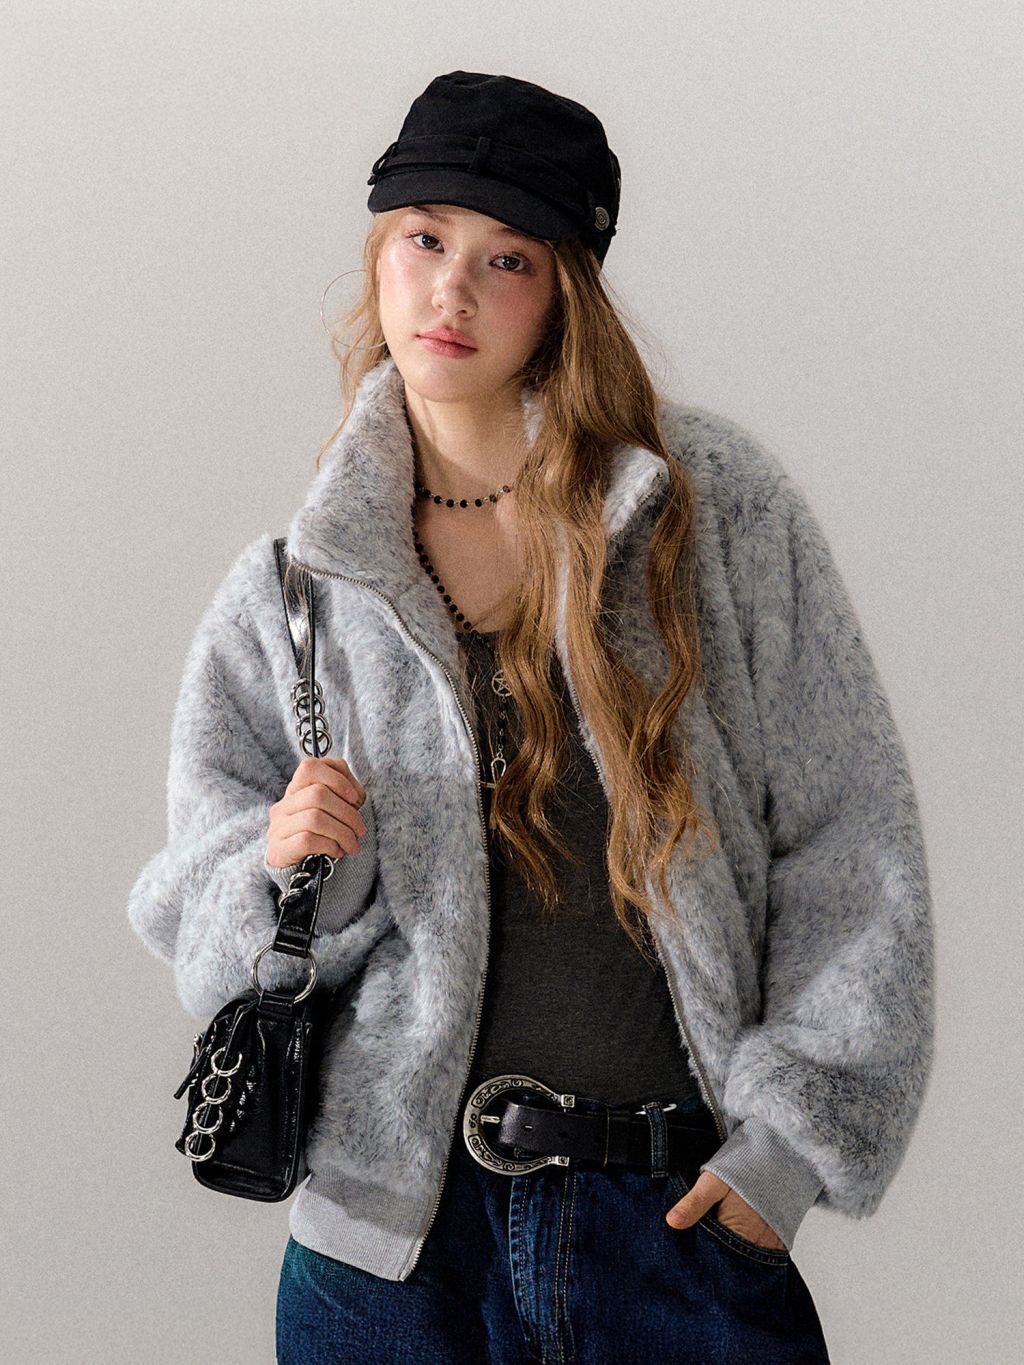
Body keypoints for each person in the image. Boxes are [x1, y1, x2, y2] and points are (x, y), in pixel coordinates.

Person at [127, 71, 935, 1364]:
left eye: (505, 257)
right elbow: (204, 934)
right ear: (379, 254)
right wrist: (287, 867)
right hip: (388, 1265)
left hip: (673, 1233)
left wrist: (785, 1156)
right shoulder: (295, 594)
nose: (450, 291)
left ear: (564, 291)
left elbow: (854, 842)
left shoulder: (709, 517)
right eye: (424, 238)